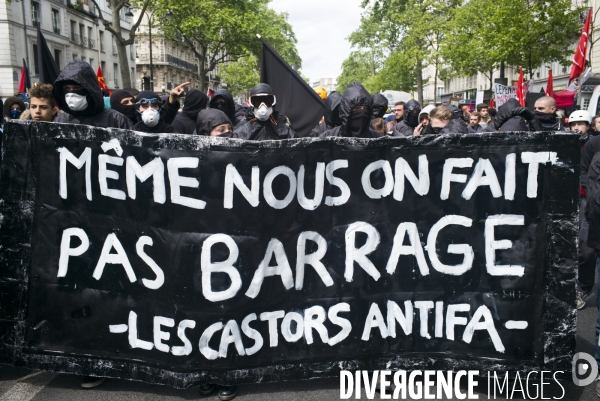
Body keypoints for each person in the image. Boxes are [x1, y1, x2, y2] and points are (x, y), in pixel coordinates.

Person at [53, 60, 131, 129]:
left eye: (77, 88)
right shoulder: (60, 121)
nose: (71, 93)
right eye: (67, 88)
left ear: (89, 90)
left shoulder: (116, 120)